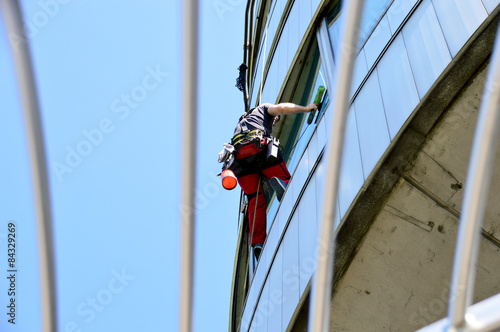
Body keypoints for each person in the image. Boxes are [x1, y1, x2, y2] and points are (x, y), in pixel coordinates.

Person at [230, 102, 318, 260]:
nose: (275, 120)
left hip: (240, 164)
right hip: (260, 149)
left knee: (255, 199)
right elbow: (282, 108)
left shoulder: (240, 125)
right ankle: (283, 184)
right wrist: (306, 108)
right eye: (275, 119)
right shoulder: (263, 108)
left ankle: (258, 243)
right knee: (279, 168)